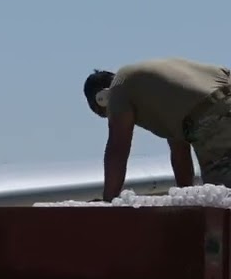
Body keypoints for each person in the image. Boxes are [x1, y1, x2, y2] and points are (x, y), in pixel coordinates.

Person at [84, 59, 231, 200]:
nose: (111, 117)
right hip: (224, 94)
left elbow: (118, 148)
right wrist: (185, 197)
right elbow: (180, 155)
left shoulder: (118, 89)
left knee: (221, 198)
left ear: (102, 98)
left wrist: (109, 200)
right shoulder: (158, 91)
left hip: (214, 114)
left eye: (104, 113)